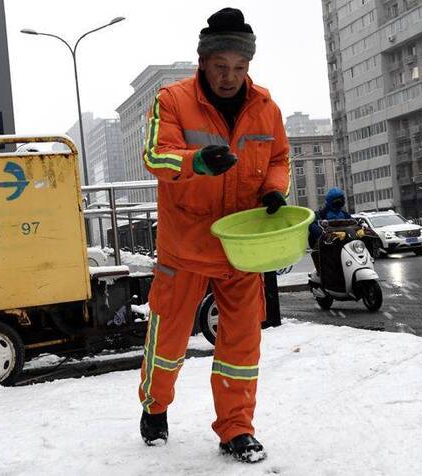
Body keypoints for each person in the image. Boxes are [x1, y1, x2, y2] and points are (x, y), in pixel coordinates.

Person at [137, 8, 289, 464]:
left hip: (242, 248)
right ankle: (155, 406)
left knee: (241, 345)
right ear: (202, 62)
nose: (230, 77)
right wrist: (197, 161)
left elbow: (279, 158)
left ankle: (236, 429)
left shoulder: (265, 106)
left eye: (240, 68)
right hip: (185, 247)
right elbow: (155, 158)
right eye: (221, 67)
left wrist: (274, 191)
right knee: (168, 339)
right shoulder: (173, 100)